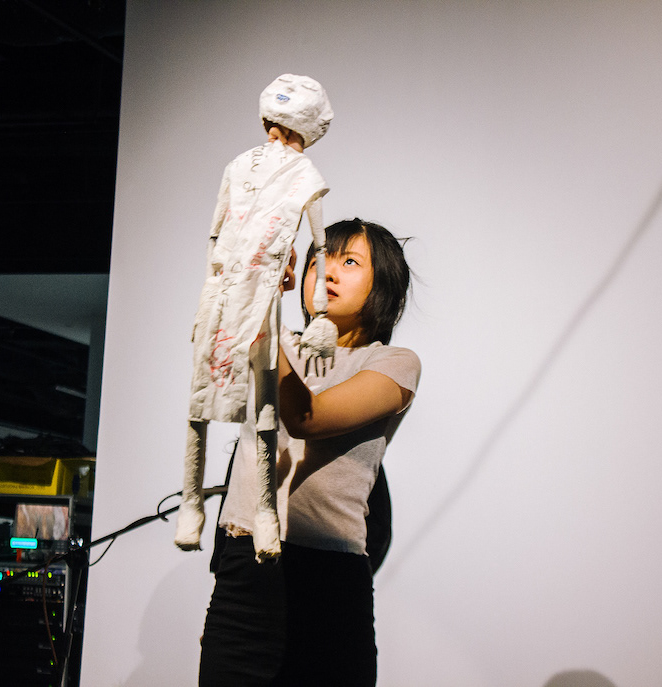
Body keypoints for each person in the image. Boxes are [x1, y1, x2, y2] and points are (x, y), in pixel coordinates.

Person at [198, 219, 421, 687]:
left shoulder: (392, 363)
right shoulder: (280, 345)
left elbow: (307, 417)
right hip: (244, 572)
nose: (329, 273)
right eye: (319, 261)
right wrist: (255, 291)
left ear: (383, 285)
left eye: (350, 262)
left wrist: (261, 324)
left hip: (328, 581)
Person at [176, 74, 337, 560]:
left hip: (262, 296)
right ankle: (190, 502)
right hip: (223, 292)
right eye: (272, 124)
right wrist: (207, 297)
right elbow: (216, 231)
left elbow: (319, 241)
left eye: (283, 128)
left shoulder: (305, 176)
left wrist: (320, 315)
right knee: (201, 394)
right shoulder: (238, 167)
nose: (274, 136)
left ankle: (265, 510)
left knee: (264, 406)